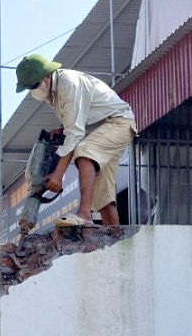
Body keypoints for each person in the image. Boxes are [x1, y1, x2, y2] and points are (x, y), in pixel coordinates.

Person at [16, 54, 137, 227]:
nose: (33, 90)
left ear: (47, 76)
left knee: (84, 152)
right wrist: (62, 130)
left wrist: (58, 175)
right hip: (101, 128)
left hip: (118, 122)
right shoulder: (53, 93)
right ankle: (115, 239)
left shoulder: (68, 83)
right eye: (30, 88)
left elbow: (75, 134)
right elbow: (73, 125)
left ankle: (84, 215)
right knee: (102, 194)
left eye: (34, 85)